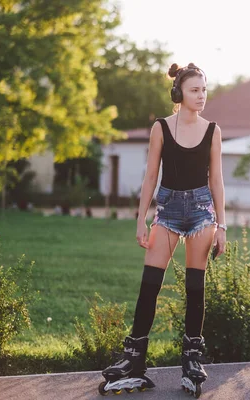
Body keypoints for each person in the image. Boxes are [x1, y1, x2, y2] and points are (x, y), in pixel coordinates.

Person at [99, 62, 227, 397]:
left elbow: (217, 181)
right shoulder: (161, 128)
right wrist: (141, 218)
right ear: (179, 93)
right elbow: (150, 177)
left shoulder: (213, 130)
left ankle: (191, 360)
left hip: (202, 213)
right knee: (149, 286)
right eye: (195, 90)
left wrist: (223, 225)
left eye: (204, 90)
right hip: (167, 212)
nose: (201, 96)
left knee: (195, 288)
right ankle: (134, 359)